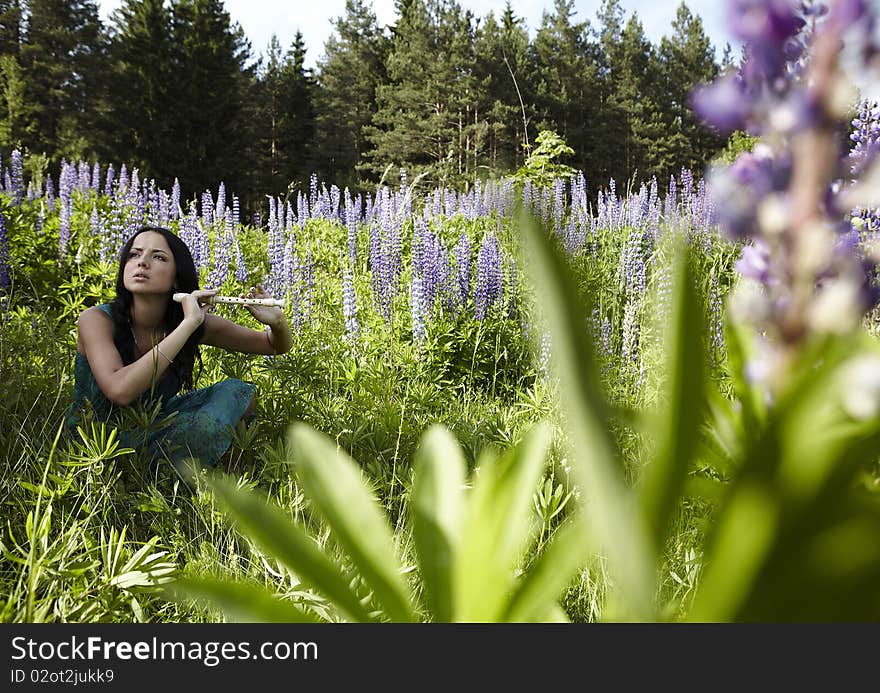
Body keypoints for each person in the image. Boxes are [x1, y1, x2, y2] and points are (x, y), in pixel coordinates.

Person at [65, 225, 293, 478]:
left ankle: (205, 464)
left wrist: (276, 322)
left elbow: (273, 345)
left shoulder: (191, 322)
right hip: (99, 442)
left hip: (157, 423)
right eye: (134, 254)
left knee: (237, 392)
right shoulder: (96, 319)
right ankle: (178, 471)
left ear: (176, 276)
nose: (142, 263)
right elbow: (120, 391)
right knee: (201, 428)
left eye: (158, 257)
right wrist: (187, 326)